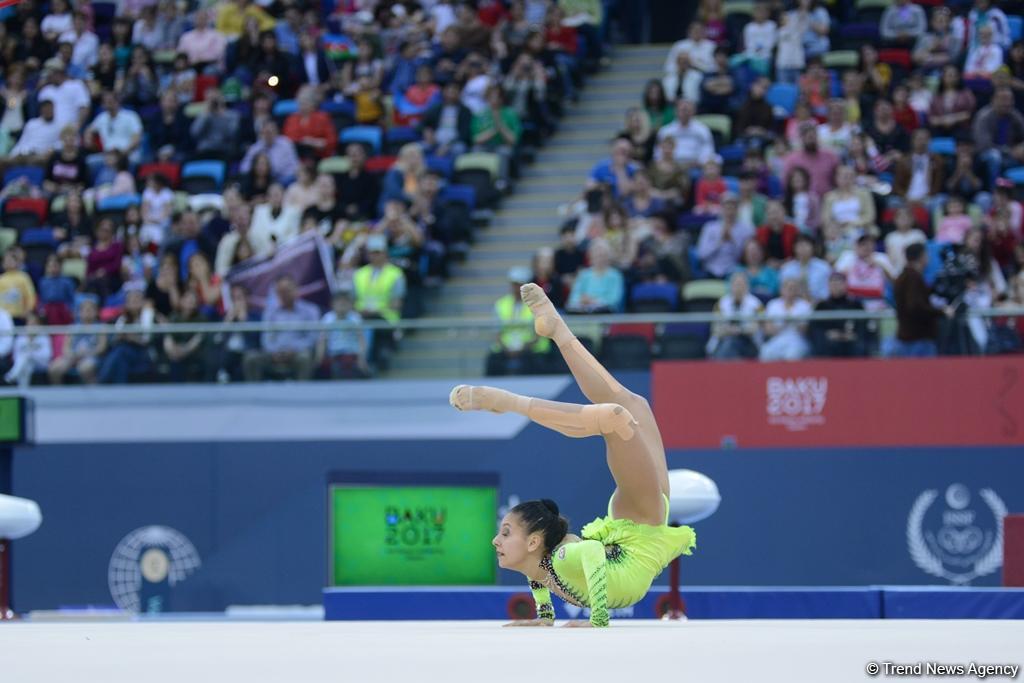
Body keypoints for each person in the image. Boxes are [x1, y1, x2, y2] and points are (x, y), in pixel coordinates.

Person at [449, 282, 696, 628]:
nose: (496, 540)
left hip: (638, 526)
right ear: (535, 541)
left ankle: (518, 386)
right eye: (504, 532)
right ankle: (545, 349)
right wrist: (568, 617)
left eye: (505, 533)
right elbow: (573, 560)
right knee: (623, 413)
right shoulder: (554, 560)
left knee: (626, 412)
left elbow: (565, 564)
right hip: (640, 529)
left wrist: (568, 617)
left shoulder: (555, 561)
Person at [243, 274, 319, 381]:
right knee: (251, 358)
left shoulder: (311, 310)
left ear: (296, 290)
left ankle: (303, 395)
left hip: (297, 353)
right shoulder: (270, 312)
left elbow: (312, 338)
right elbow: (266, 338)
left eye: (287, 290)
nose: (284, 294)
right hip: (273, 354)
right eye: (280, 291)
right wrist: (274, 352)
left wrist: (293, 350)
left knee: (304, 358)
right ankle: (254, 395)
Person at [888, 242, 949, 357]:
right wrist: (941, 312)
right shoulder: (913, 278)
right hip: (917, 338)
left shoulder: (903, 277)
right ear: (922, 256)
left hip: (908, 335)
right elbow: (915, 306)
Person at [487, 267, 550, 376]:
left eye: (520, 284)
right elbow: (497, 332)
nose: (517, 288)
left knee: (533, 362)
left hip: (531, 350)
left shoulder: (537, 305)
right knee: (492, 361)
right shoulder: (501, 304)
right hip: (506, 350)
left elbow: (539, 334)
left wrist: (523, 348)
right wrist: (506, 349)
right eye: (514, 284)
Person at [696, 193, 755, 279]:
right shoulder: (709, 227)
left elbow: (746, 259)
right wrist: (719, 243)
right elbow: (701, 255)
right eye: (727, 208)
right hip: (710, 271)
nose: (730, 212)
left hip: (733, 271)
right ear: (721, 209)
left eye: (733, 208)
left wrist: (732, 241)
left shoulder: (746, 229)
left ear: (738, 210)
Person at [48, 297, 106, 385]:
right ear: (79, 313)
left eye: (90, 310)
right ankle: (58, 392)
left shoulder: (101, 328)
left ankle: (93, 393)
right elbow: (66, 348)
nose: (87, 312)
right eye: (85, 310)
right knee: (54, 368)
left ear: (96, 312)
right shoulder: (73, 328)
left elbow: (102, 348)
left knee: (85, 368)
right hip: (73, 356)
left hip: (91, 356)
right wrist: (71, 355)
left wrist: (87, 354)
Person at [707, 271, 763, 359]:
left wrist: (739, 330)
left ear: (747, 286)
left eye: (741, 284)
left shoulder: (756, 304)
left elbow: (755, 328)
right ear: (731, 286)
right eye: (736, 284)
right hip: (724, 338)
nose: (738, 288)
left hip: (749, 342)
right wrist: (727, 331)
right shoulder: (721, 304)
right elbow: (715, 328)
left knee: (731, 343)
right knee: (729, 343)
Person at [810, 272, 866, 357]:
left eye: (839, 283)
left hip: (852, 343)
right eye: (833, 284)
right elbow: (815, 328)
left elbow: (864, 325)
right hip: (828, 344)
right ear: (828, 286)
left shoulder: (856, 305)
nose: (835, 287)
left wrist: (852, 335)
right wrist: (827, 334)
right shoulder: (821, 306)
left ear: (845, 285)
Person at [317, 290, 369, 379]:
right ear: (332, 304)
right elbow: (322, 341)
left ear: (351, 304)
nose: (342, 305)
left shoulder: (356, 319)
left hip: (352, 355)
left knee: (361, 371)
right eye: (339, 302)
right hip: (333, 355)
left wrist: (362, 359)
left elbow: (362, 340)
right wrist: (319, 359)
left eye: (345, 302)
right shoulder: (327, 319)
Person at [759, 276, 812, 361]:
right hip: (778, 338)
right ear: (782, 290)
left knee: (792, 355)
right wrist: (784, 322)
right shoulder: (773, 304)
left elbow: (806, 331)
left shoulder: (804, 305)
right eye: (788, 288)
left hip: (797, 339)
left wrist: (795, 322)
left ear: (797, 290)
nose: (790, 291)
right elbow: (768, 330)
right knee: (766, 352)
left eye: (793, 288)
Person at [566, 239, 624, 313]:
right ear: (590, 255)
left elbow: (614, 300)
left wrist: (594, 301)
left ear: (608, 256)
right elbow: (573, 298)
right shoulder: (584, 275)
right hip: (582, 313)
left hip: (605, 315)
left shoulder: (615, 276)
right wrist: (582, 300)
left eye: (602, 254)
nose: (599, 257)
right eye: (596, 254)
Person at [655, 99, 715, 170]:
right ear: (676, 111)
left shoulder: (702, 130)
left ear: (694, 111)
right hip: (670, 166)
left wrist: (700, 162)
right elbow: (657, 152)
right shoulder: (665, 131)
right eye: (683, 110)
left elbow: (708, 149)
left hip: (695, 166)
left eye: (688, 110)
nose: (685, 113)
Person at [780, 234, 832, 302]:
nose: (803, 249)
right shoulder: (787, 268)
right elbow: (783, 292)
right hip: (794, 306)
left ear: (813, 247)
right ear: (794, 248)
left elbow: (827, 292)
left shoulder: (824, 267)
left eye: (806, 245)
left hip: (820, 306)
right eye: (800, 245)